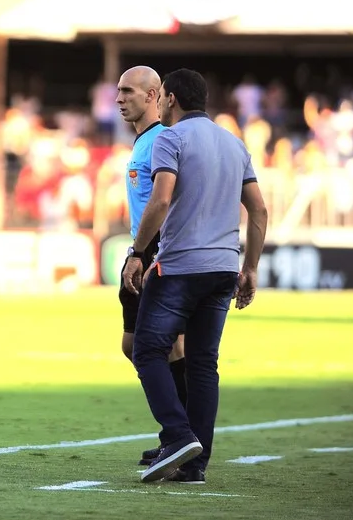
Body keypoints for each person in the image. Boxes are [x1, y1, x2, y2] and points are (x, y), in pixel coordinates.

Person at [123, 69, 268, 484]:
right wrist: (251, 267)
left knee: (148, 350)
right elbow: (258, 209)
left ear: (168, 98)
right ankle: (194, 464)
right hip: (224, 268)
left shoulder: (171, 138)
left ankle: (177, 435)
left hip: (180, 267)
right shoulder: (234, 143)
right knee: (204, 364)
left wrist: (137, 253)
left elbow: (162, 198)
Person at [114, 66, 187, 467]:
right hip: (141, 248)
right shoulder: (144, 142)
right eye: (118, 92)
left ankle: (179, 435)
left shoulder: (162, 140)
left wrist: (145, 252)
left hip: (156, 251)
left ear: (153, 95)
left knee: (168, 346)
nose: (119, 99)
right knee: (134, 346)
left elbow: (166, 200)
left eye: (128, 91)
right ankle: (179, 432)